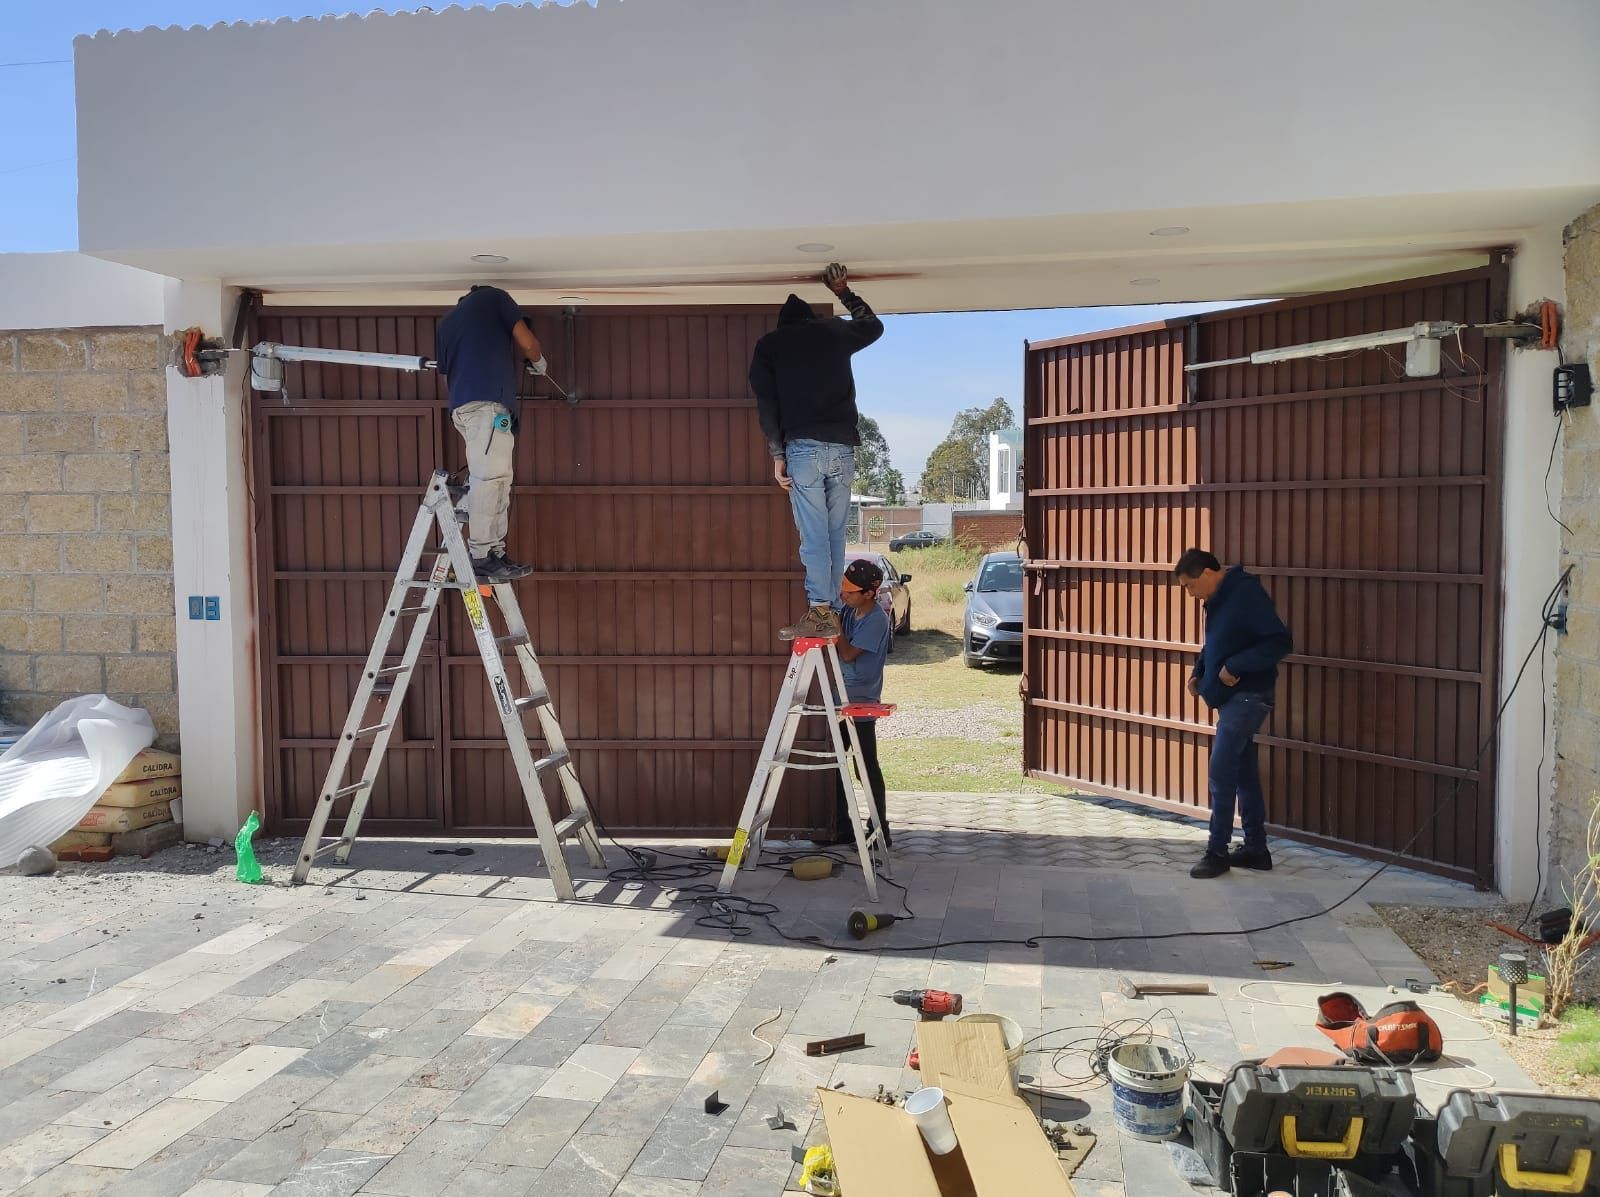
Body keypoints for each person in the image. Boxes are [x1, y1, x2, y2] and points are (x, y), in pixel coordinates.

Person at [750, 263, 884, 640]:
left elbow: (767, 404)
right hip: (842, 448)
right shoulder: (833, 332)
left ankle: (821, 610)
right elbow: (873, 326)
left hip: (803, 450)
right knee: (835, 534)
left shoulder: (771, 346)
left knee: (814, 537)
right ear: (811, 319)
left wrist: (777, 454)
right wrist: (843, 293)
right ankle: (830, 611)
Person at [1174, 549, 1293, 879]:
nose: (1190, 593)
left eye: (1190, 586)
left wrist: (1236, 667)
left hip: (1249, 696)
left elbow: (1279, 641)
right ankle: (1256, 850)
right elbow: (1216, 643)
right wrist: (1199, 672)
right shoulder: (1217, 599)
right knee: (1243, 773)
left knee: (1221, 769)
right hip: (1230, 698)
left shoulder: (1245, 594)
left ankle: (1217, 852)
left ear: (1207, 573)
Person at [435, 285, 548, 583]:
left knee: (498, 480)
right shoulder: (494, 298)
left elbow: (447, 374)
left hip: (464, 409)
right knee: (489, 482)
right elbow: (527, 341)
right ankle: (483, 555)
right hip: (487, 408)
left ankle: (494, 552)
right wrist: (538, 361)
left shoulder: (447, 322)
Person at [829, 558, 893, 848]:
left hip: (861, 699)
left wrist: (835, 629)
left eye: (851, 591)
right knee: (836, 761)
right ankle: (842, 826)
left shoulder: (876, 618)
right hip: (842, 695)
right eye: (843, 588)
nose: (844, 594)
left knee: (865, 765)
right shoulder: (849, 609)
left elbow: (847, 654)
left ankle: (880, 828)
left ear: (869, 593)